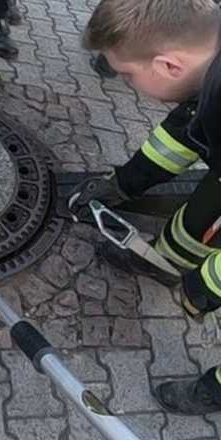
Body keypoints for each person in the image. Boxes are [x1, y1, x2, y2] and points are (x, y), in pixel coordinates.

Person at [68, 0, 221, 414]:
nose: (128, 85)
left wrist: (209, 284)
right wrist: (123, 185)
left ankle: (217, 389)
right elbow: (187, 134)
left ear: (170, 65)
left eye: (128, 75)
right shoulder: (209, 70)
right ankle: (162, 261)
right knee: (203, 213)